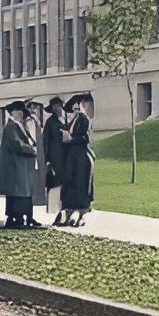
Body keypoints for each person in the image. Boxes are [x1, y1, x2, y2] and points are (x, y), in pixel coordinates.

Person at [0, 100, 38, 230]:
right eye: (20, 111)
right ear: (15, 112)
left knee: (20, 192)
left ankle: (21, 217)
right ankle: (16, 217)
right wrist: (31, 150)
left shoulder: (18, 125)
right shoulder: (12, 126)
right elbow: (15, 144)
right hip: (15, 165)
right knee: (17, 193)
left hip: (19, 164)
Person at [61, 92, 95, 227]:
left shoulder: (82, 119)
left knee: (81, 185)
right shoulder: (72, 120)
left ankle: (81, 215)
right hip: (73, 156)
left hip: (81, 157)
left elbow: (84, 138)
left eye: (76, 107)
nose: (75, 110)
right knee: (71, 185)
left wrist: (71, 139)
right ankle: (70, 213)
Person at [42, 96, 69, 226]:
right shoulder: (50, 122)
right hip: (55, 158)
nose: (57, 109)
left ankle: (65, 212)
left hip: (65, 158)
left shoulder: (65, 121)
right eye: (55, 107)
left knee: (64, 186)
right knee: (55, 185)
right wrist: (47, 160)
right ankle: (58, 212)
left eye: (59, 106)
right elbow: (45, 141)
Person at [23, 100, 46, 229]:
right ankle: (29, 217)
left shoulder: (32, 121)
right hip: (33, 159)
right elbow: (31, 140)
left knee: (32, 189)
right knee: (31, 189)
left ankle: (29, 216)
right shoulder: (31, 121)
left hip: (35, 158)